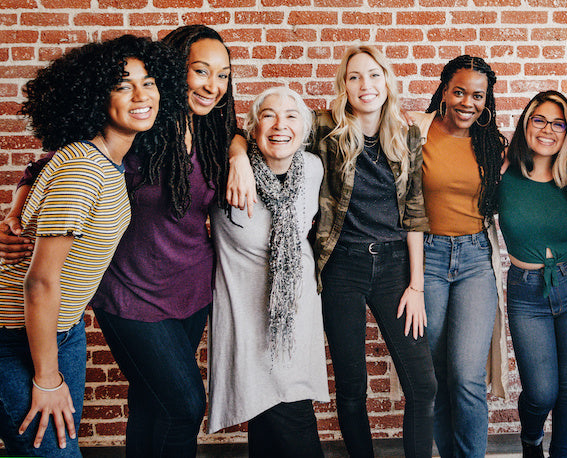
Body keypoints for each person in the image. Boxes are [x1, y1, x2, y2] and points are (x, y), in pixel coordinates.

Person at [0, 25, 241, 458]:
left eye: (223, 74)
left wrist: (238, 153)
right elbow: (50, 167)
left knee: (154, 403)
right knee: (184, 406)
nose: (212, 85)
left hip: (188, 290)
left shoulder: (213, 133)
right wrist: (16, 214)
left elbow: (247, 130)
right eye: (201, 70)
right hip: (130, 292)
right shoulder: (130, 133)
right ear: (173, 72)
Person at [312, 45, 435, 458]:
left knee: (423, 384)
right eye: (354, 77)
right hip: (341, 267)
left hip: (395, 267)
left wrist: (415, 287)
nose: (365, 85)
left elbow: (416, 212)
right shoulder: (323, 130)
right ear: (343, 86)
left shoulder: (408, 135)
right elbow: (262, 128)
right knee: (351, 385)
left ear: (387, 82)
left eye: (374, 75)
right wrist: (239, 153)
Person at [206, 86, 327, 458]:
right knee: (268, 412)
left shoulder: (312, 169)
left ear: (304, 130)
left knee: (289, 408)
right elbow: (221, 134)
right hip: (245, 313)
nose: (280, 125)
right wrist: (237, 154)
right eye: (269, 115)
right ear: (254, 127)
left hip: (297, 314)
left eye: (292, 116)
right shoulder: (225, 171)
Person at [498, 90, 567, 458]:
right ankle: (531, 443)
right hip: (527, 292)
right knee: (541, 391)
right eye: (539, 119)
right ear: (527, 123)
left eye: (558, 123)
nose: (548, 129)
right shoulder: (502, 170)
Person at [411, 55, 508, 458]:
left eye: (478, 95)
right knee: (434, 377)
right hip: (427, 258)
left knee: (467, 375)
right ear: (444, 91)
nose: (468, 102)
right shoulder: (414, 130)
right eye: (460, 91)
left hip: (475, 260)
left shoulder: (493, 144)